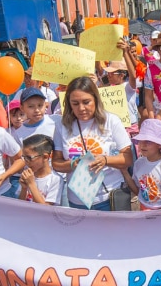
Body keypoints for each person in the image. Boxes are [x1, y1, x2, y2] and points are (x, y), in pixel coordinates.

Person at [52, 76, 133, 211]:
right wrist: (73, 164)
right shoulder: (62, 126)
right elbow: (56, 163)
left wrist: (105, 160)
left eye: (86, 102)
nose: (81, 108)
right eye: (75, 103)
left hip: (109, 198)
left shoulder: (111, 121)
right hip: (77, 201)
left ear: (95, 99)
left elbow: (127, 158)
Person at [122, 118, 161, 210]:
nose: (142, 145)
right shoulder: (138, 163)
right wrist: (125, 172)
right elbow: (138, 191)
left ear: (159, 144)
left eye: (148, 141)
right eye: (141, 140)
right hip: (144, 211)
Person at [18, 134, 64, 206]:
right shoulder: (27, 175)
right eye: (24, 157)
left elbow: (46, 209)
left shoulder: (55, 179)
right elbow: (20, 205)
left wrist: (31, 184)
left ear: (45, 157)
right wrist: (24, 188)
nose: (26, 161)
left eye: (29, 158)